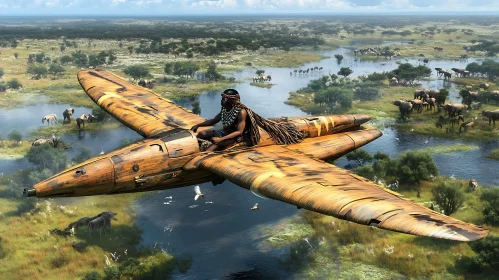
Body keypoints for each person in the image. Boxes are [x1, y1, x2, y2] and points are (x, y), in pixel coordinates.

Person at [190, 89, 303, 152]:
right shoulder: (226, 108)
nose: (222, 101)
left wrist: (221, 140)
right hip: (225, 132)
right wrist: (198, 125)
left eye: (225, 99)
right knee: (202, 134)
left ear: (232, 100)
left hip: (237, 137)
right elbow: (214, 120)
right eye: (222, 98)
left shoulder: (241, 112)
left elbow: (239, 131)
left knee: (210, 150)